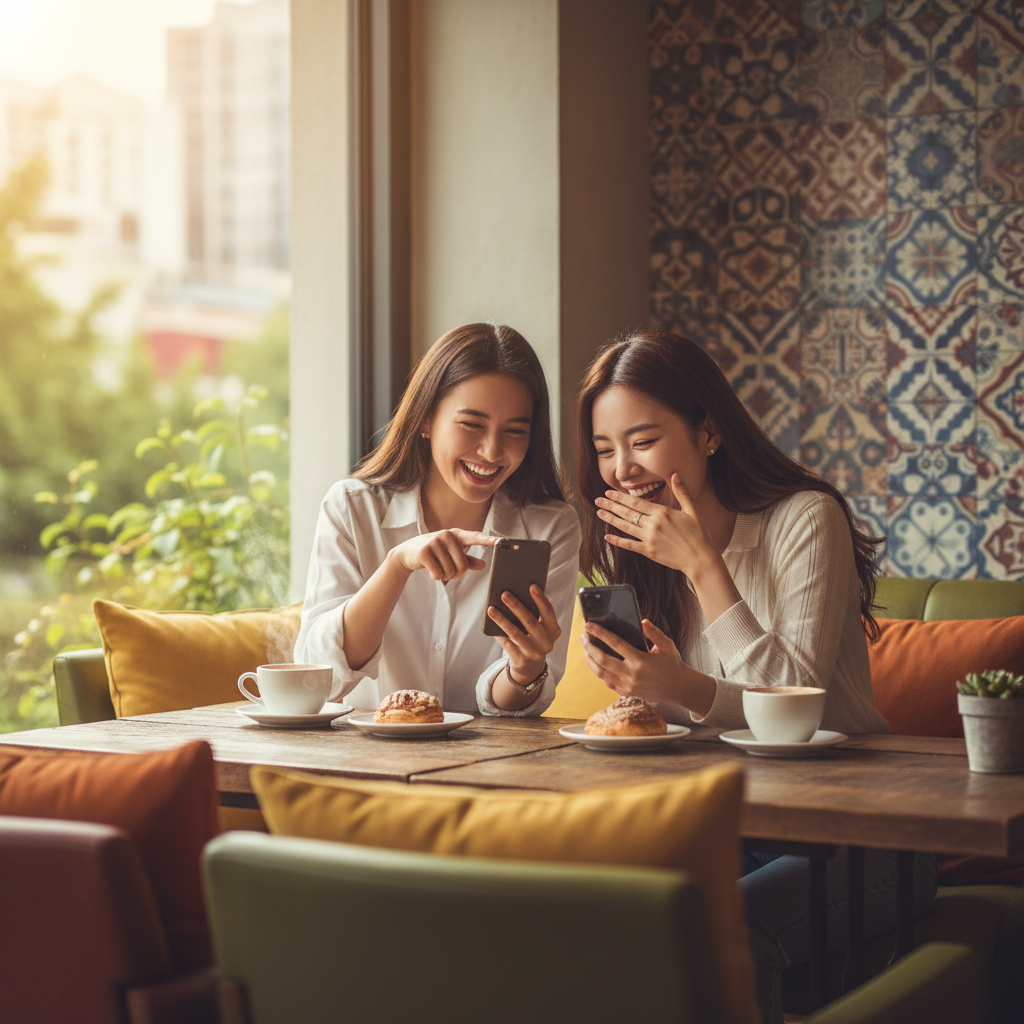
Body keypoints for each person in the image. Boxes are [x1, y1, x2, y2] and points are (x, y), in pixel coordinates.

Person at [574, 329, 936, 1023]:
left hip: (859, 839)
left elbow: (793, 704)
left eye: (642, 440)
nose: (621, 468)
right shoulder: (642, 554)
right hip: (728, 827)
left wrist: (706, 568)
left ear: (708, 432)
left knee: (726, 927)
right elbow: (696, 726)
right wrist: (647, 687)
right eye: (604, 449)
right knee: (601, 909)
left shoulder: (805, 519)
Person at [294, 321, 580, 717]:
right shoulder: (352, 508)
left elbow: (514, 708)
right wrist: (397, 566)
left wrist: (525, 669)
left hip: (482, 765)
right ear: (426, 419)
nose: (492, 451)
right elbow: (320, 676)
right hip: (363, 761)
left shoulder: (551, 527)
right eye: (472, 425)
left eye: (515, 430)